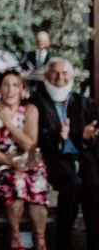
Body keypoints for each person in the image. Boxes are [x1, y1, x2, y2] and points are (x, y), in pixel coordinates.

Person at [0, 71, 48, 250]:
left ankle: (40, 238)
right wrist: (10, 161)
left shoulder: (30, 110)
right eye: (6, 84)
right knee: (17, 180)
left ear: (22, 89)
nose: (10, 89)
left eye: (16, 85)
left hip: (26, 154)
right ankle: (15, 235)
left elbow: (30, 145)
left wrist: (8, 122)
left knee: (37, 184)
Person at [30, 58, 99, 250]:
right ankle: (63, 240)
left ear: (72, 76)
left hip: (82, 156)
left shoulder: (84, 102)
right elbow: (34, 138)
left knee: (93, 183)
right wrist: (58, 137)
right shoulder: (36, 102)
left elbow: (94, 133)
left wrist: (86, 137)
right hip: (53, 156)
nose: (60, 77)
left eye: (65, 72)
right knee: (73, 183)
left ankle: (94, 241)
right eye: (55, 72)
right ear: (46, 76)